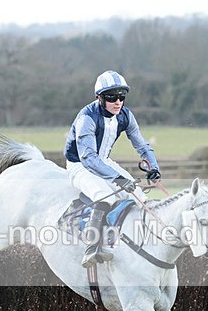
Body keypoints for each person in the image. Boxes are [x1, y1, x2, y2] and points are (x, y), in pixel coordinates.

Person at [64, 70, 161, 268]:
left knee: (139, 195)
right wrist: (117, 178)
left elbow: (142, 146)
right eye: (111, 97)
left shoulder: (126, 115)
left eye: (121, 97)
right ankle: (92, 247)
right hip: (79, 165)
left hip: (104, 161)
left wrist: (154, 167)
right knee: (105, 195)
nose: (118, 102)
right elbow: (88, 158)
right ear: (99, 98)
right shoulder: (87, 118)